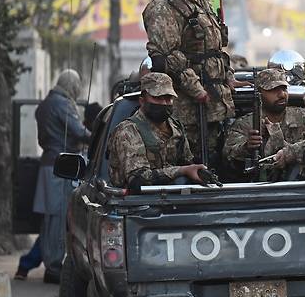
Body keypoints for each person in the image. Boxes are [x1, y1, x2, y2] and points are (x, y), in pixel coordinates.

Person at [143, 0, 248, 165]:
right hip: (188, 104)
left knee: (220, 156)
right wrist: (196, 89)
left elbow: (215, 48)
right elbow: (168, 55)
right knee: (192, 159)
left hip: (216, 99)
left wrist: (228, 77)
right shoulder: (163, 5)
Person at [16, 70, 91, 284]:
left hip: (48, 164)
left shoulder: (46, 104)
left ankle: (33, 262)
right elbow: (77, 131)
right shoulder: (62, 104)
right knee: (59, 219)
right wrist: (95, 137)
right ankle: (55, 266)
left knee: (50, 219)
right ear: (71, 85)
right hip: (62, 167)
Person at [107, 72, 207, 189]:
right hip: (137, 203)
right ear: (142, 101)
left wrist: (198, 172)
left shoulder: (176, 128)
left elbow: (187, 164)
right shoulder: (128, 131)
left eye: (168, 98)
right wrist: (182, 171)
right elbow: (138, 179)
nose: (164, 103)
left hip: (176, 199)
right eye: (158, 98)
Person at [223, 69, 305, 180]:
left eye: (284, 89)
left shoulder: (303, 117)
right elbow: (227, 155)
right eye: (274, 90)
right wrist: (247, 147)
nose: (282, 94)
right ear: (259, 93)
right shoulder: (245, 124)